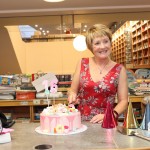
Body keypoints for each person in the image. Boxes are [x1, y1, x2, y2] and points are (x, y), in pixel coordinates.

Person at [68, 24, 128, 124]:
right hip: (81, 122)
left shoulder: (119, 69)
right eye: (97, 43)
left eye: (106, 41)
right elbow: (73, 90)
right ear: (91, 47)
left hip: (106, 122)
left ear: (110, 42)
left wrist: (110, 115)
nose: (103, 46)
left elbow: (124, 101)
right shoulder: (82, 63)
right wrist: (72, 96)